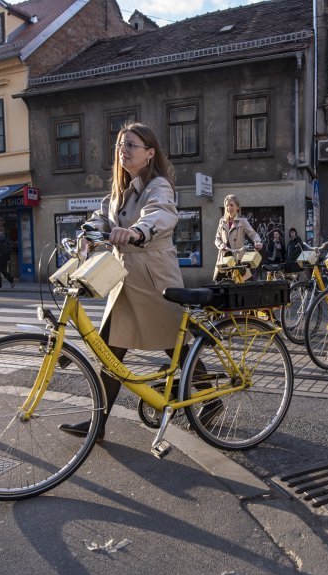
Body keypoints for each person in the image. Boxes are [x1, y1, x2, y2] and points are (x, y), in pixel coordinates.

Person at [59, 122, 221, 442]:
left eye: (131, 145)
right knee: (110, 351)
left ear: (149, 153)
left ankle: (211, 398)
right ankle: (98, 425)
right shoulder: (120, 191)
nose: (123, 150)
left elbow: (160, 214)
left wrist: (136, 232)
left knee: (173, 343)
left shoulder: (157, 185)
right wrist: (87, 233)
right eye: (120, 145)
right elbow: (102, 216)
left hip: (154, 276)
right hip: (125, 277)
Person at [214, 194, 263, 281]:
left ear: (237, 207)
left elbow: (253, 234)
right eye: (227, 205)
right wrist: (221, 245)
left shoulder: (242, 221)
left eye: (232, 205)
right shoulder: (222, 222)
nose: (229, 208)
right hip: (224, 259)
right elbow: (217, 239)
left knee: (246, 284)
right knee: (221, 286)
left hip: (238, 258)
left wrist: (258, 242)